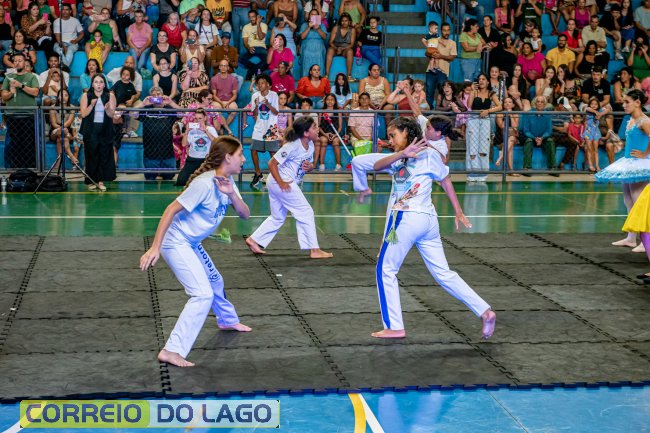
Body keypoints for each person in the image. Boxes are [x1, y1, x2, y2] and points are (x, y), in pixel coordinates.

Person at [369, 116, 495, 339]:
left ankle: (394, 326)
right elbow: (377, 167)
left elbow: (445, 180)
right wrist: (457, 210)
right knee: (443, 273)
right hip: (427, 221)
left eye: (393, 135)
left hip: (408, 219)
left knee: (385, 270)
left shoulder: (425, 153)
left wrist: (458, 210)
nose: (390, 140)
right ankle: (485, 312)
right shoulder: (405, 157)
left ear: (406, 132)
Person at [140, 135, 252, 368]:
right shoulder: (204, 184)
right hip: (176, 242)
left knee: (215, 281)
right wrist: (155, 247)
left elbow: (245, 215)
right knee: (202, 294)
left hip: (191, 242)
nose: (243, 159)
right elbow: (170, 210)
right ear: (228, 157)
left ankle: (227, 320)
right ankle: (172, 350)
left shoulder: (228, 181)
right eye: (240, 155)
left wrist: (231, 194)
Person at [245, 116, 334, 259]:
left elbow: (307, 165)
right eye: (314, 127)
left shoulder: (310, 145)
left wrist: (311, 167)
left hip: (280, 182)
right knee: (305, 211)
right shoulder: (292, 146)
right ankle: (314, 250)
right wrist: (281, 183)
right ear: (306, 133)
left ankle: (254, 240)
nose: (318, 129)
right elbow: (271, 163)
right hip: (282, 182)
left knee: (278, 217)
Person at [596, 89, 650, 252]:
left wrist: (645, 153)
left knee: (639, 203)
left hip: (639, 164)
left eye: (627, 102)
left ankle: (645, 242)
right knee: (628, 200)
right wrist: (621, 145)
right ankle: (631, 238)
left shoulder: (644, 121)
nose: (624, 105)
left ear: (637, 103)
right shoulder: (631, 120)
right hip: (629, 161)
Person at [79, 74, 117, 191]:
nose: (99, 84)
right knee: (91, 155)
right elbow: (83, 114)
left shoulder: (110, 95)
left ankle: (101, 181)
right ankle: (92, 181)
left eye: (101, 82)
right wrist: (91, 105)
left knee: (104, 155)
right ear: (92, 84)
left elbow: (111, 115)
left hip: (105, 129)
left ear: (104, 84)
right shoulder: (86, 95)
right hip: (91, 129)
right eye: (96, 82)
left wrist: (107, 108)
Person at [1, 53, 39, 169]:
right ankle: (14, 170)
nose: (17, 63)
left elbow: (35, 92)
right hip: (12, 116)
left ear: (24, 62)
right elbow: (4, 97)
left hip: (28, 116)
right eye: (15, 61)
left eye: (20, 61)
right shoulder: (8, 77)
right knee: (14, 145)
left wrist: (21, 86)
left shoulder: (31, 77)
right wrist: (11, 92)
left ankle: (29, 170)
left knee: (28, 145)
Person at [135, 86, 181, 180]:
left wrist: (171, 102)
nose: (156, 96)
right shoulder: (147, 109)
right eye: (153, 95)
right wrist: (142, 104)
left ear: (162, 95)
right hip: (150, 153)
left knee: (169, 177)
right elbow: (132, 114)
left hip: (167, 153)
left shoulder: (169, 108)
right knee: (150, 178)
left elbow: (182, 114)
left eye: (158, 94)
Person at [249, 73, 280, 188]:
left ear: (268, 84)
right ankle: (258, 173)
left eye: (263, 83)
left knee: (272, 152)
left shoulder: (274, 95)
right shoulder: (255, 96)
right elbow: (254, 113)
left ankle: (275, 175)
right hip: (259, 128)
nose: (260, 85)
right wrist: (256, 105)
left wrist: (268, 104)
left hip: (271, 128)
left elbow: (276, 112)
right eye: (258, 83)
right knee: (253, 149)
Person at [176, 108, 220, 186]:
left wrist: (205, 131)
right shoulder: (192, 130)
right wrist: (186, 131)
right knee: (181, 181)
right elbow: (184, 144)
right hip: (192, 160)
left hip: (205, 160)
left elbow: (216, 142)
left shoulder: (210, 129)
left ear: (205, 118)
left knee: (209, 182)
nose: (197, 121)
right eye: (196, 118)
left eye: (200, 118)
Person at [521, 95, 557, 175]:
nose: (540, 103)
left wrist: (542, 138)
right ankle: (527, 168)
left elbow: (549, 130)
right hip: (531, 137)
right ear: (535, 103)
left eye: (542, 102)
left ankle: (553, 168)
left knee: (550, 141)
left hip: (543, 138)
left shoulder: (548, 115)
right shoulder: (528, 113)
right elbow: (526, 130)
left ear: (545, 104)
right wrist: (534, 138)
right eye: (538, 101)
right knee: (528, 141)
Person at [325, 12, 356, 82]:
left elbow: (351, 44)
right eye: (342, 21)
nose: (344, 22)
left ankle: (349, 76)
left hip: (346, 49)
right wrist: (337, 48)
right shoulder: (336, 28)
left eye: (346, 21)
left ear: (349, 22)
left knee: (350, 51)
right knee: (330, 50)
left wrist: (342, 49)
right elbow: (330, 42)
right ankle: (326, 75)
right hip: (335, 48)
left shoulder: (352, 30)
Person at [299, 8, 327, 79]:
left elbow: (324, 37)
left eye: (315, 15)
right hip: (307, 45)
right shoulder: (304, 25)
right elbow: (302, 37)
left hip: (319, 46)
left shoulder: (322, 25)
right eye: (312, 14)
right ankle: (305, 78)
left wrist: (318, 28)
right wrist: (309, 27)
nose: (314, 16)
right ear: (309, 16)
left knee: (319, 53)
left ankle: (319, 77)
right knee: (306, 53)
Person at [240, 9, 268, 80]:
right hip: (251, 48)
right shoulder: (246, 27)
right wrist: (248, 48)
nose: (251, 19)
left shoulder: (263, 25)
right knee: (241, 59)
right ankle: (256, 71)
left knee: (267, 61)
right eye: (250, 17)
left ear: (257, 17)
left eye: (253, 16)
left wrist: (258, 24)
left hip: (261, 48)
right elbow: (245, 42)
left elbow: (261, 37)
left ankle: (251, 72)